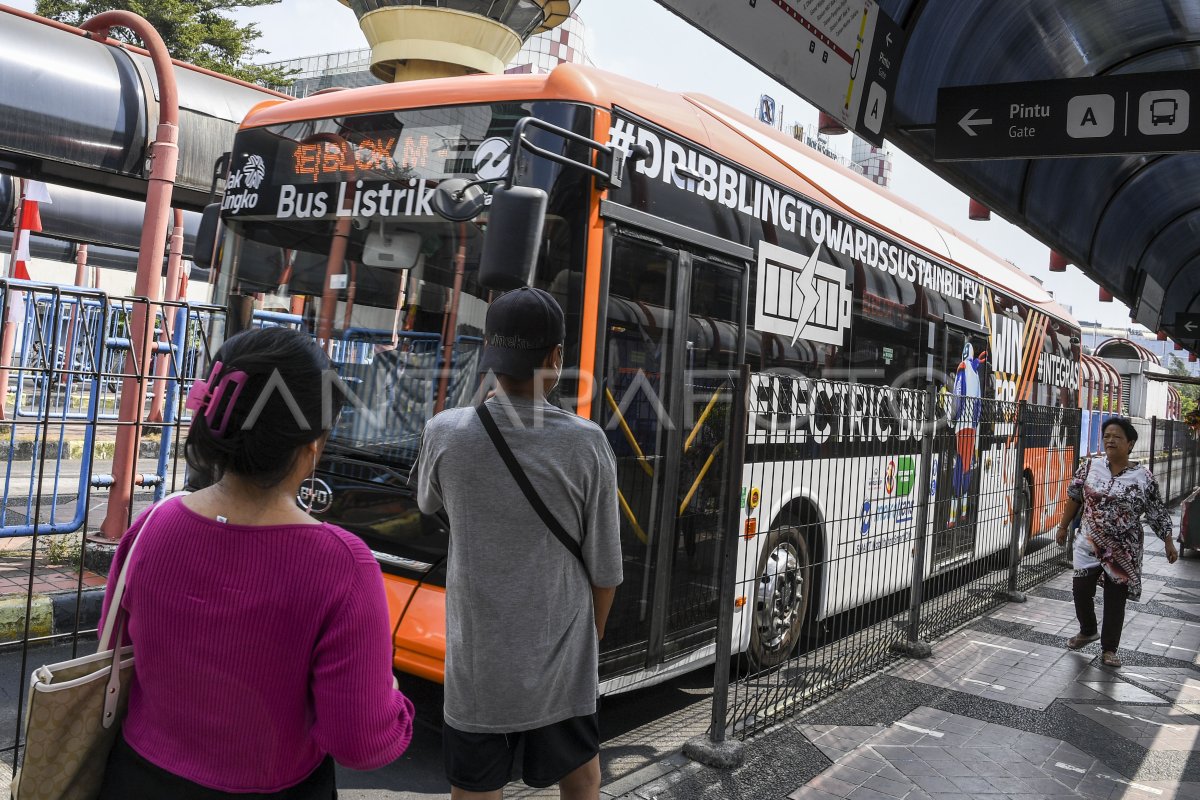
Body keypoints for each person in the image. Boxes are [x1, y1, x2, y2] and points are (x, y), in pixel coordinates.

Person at [98, 327, 415, 799]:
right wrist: (393, 701)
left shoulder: (150, 527)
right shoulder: (342, 566)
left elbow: (114, 661)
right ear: (314, 444)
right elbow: (362, 743)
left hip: (135, 779)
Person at [417, 286, 623, 800]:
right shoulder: (587, 442)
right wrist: (589, 641)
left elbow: (427, 502)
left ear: (490, 354)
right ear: (556, 357)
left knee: (474, 789)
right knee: (582, 779)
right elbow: (605, 570)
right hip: (562, 661)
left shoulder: (445, 433)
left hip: (478, 662)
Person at [1056, 416, 1177, 668]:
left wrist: (1168, 541)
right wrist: (1063, 526)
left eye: (1117, 437)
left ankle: (1109, 649)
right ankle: (1088, 630)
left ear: (1130, 443)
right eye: (1107, 436)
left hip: (1124, 549)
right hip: (1088, 544)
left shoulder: (1143, 477)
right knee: (1081, 590)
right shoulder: (1089, 467)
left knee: (1115, 598)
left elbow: (1156, 511)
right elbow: (1074, 498)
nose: (1110, 440)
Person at [949, 340, 987, 527]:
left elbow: (956, 396)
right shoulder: (976, 374)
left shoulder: (962, 368)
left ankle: (952, 516)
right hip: (972, 428)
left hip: (960, 428)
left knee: (959, 466)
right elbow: (979, 402)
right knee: (966, 467)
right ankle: (963, 512)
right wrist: (975, 422)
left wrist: (952, 418)